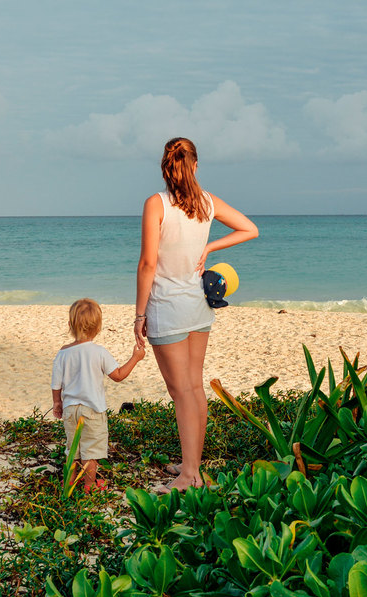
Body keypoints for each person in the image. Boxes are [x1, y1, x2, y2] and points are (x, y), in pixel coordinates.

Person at [133, 137, 259, 493]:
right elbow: (250, 228)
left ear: (165, 167)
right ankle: (192, 466)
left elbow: (147, 265)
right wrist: (211, 245)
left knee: (182, 392)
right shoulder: (207, 202)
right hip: (198, 308)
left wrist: (138, 315)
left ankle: (189, 475)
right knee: (192, 388)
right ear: (196, 166)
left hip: (168, 308)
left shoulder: (156, 204)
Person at [52, 298, 146, 491]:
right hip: (92, 410)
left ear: (70, 325)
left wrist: (57, 403)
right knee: (90, 452)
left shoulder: (62, 353)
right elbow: (118, 376)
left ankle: (69, 482)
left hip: (70, 410)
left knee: (73, 450)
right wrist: (135, 358)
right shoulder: (99, 352)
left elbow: (56, 383)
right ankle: (89, 486)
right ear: (98, 328)